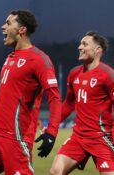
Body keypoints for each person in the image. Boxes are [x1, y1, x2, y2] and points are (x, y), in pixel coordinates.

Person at [0, 9, 62, 175]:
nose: (3, 27)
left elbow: (55, 98)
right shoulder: (10, 57)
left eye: (8, 23)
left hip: (15, 139)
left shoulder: (39, 59)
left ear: (22, 30)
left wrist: (52, 132)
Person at [50, 31, 114, 175]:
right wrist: (52, 124)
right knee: (55, 172)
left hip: (102, 138)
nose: (79, 47)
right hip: (78, 138)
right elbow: (68, 104)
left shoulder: (108, 75)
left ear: (98, 50)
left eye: (84, 44)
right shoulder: (74, 74)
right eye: (80, 44)